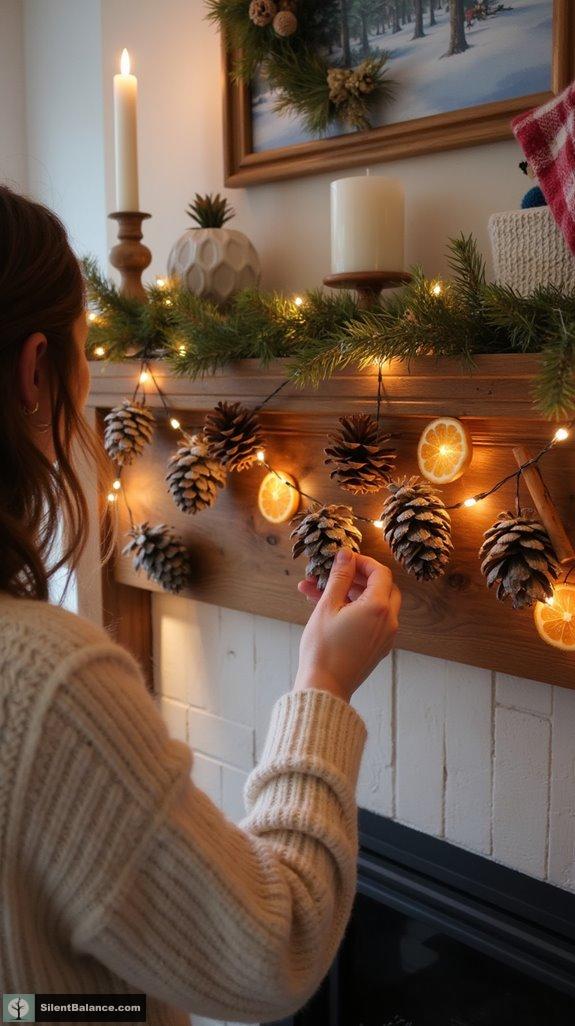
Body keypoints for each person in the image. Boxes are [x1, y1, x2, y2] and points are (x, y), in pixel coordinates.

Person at [0, 186, 401, 1026]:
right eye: (83, 352)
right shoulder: (43, 684)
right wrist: (322, 685)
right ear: (38, 370)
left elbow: (27, 1007)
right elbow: (272, 948)